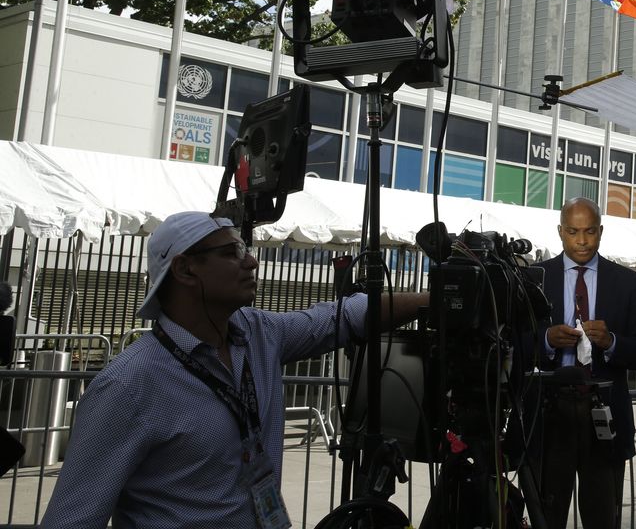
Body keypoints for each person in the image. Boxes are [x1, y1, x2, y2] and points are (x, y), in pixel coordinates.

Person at [41, 211, 427, 529]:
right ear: (185, 269)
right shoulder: (129, 386)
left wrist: (435, 297)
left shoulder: (259, 333)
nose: (251, 261)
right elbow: (72, 519)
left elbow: (339, 317)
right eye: (232, 251)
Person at [535, 197, 636, 529]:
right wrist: (546, 340)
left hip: (604, 418)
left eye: (589, 231)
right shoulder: (535, 278)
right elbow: (513, 343)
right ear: (560, 232)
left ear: (600, 231)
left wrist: (612, 342)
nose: (582, 241)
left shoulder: (626, 282)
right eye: (573, 232)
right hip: (549, 419)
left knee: (603, 518)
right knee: (547, 516)